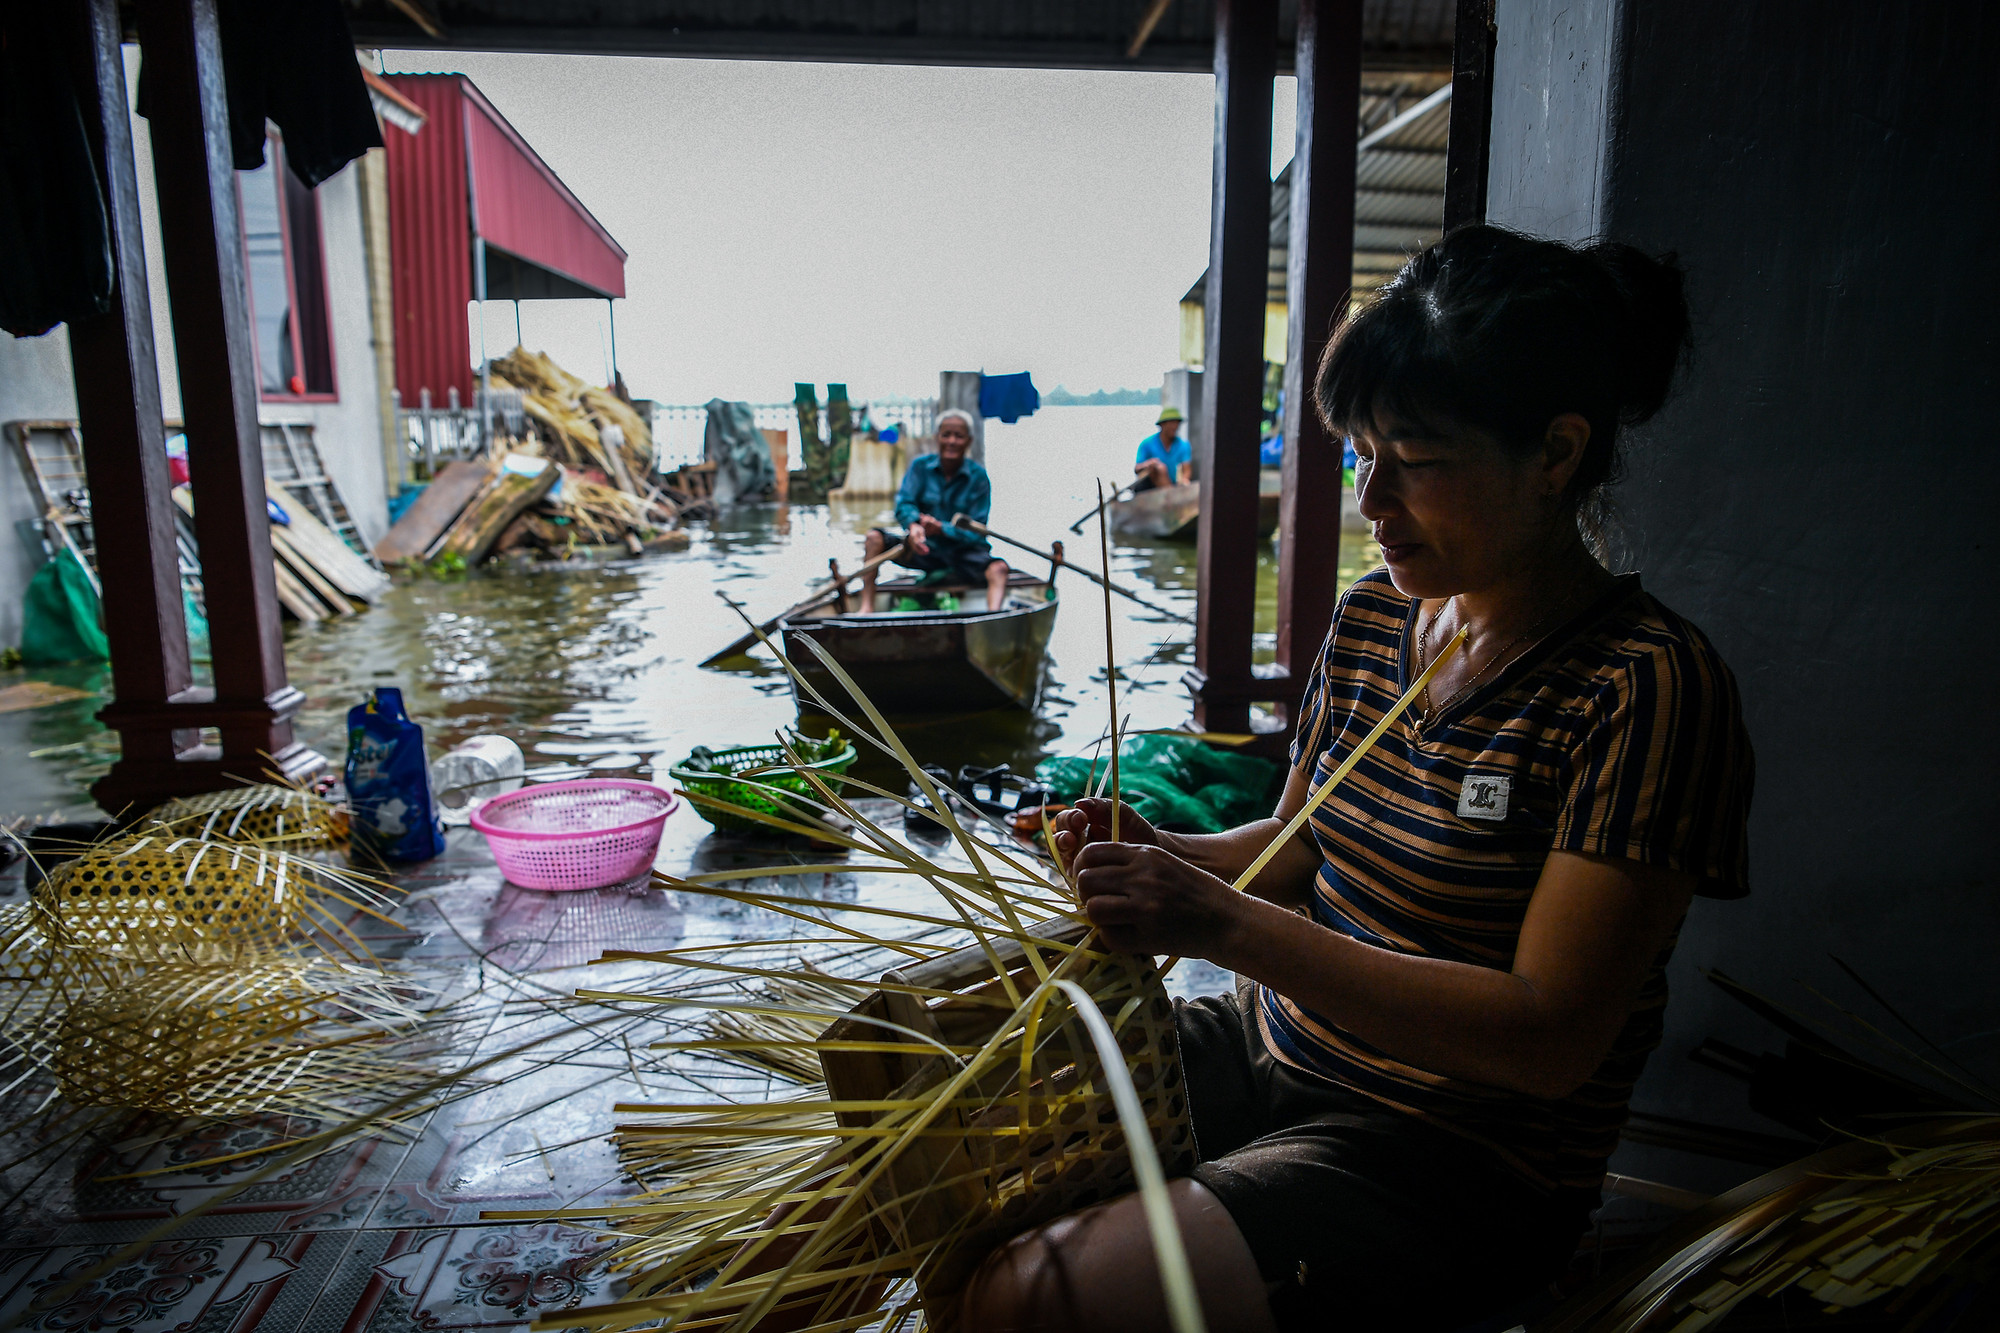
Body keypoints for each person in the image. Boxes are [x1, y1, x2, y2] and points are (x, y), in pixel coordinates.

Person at [962, 225, 1755, 1332]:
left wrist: (1214, 925)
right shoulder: (1377, 617)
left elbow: (1545, 1036)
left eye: (1416, 460)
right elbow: (1297, 847)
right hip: (1268, 1045)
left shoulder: (1643, 688)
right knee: (950, 1150)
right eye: (1359, 453)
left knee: (1025, 1299)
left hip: (1451, 1158)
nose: (1371, 499)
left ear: (1554, 454)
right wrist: (1160, 852)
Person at [861, 408, 1011, 612]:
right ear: (937, 438)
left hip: (962, 553)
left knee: (999, 569)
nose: (951, 441)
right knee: (873, 538)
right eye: (946, 434)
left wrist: (942, 528)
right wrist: (914, 526)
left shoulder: (978, 478)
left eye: (959, 436)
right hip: (924, 549)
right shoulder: (920, 467)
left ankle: (993, 617)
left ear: (969, 440)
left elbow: (977, 531)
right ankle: (866, 608)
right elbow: (904, 504)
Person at [1133, 406, 1192, 492]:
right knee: (1159, 467)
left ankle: (1170, 494)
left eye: (1177, 423)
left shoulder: (1183, 445)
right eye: (1171, 423)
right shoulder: (1147, 443)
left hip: (1172, 485)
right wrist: (1148, 464)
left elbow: (1186, 469)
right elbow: (1137, 469)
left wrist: (1184, 480)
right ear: (1162, 424)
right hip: (1149, 487)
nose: (1175, 426)